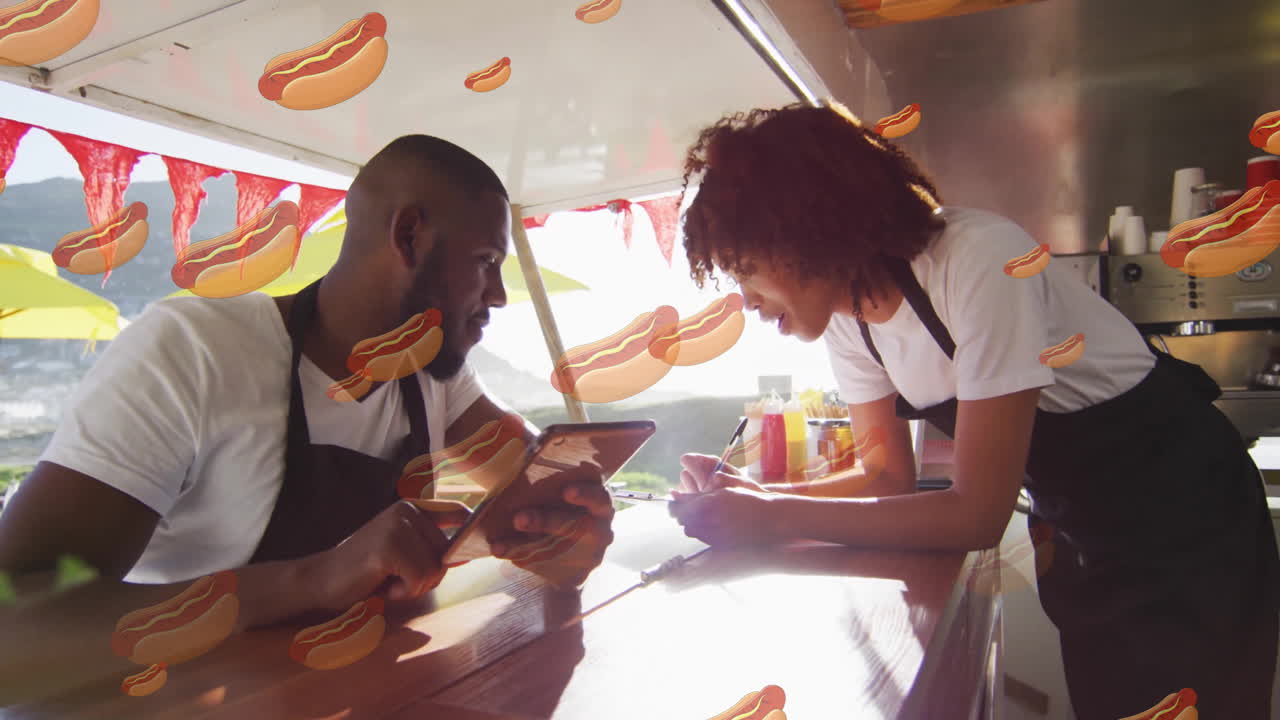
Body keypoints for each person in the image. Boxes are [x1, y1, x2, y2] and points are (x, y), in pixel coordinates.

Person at [667, 102, 1279, 719]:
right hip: (1084, 533)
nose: (744, 299)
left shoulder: (978, 257)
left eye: (746, 268)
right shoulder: (850, 322)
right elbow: (884, 476)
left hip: (1188, 517)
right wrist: (754, 495)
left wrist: (770, 517)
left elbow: (978, 514)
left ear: (808, 227)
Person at [0, 135, 614, 696]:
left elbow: (544, 482)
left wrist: (564, 536)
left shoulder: (431, 376)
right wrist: (315, 579)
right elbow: (14, 626)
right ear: (409, 236)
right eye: (485, 261)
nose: (500, 296)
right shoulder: (195, 352)